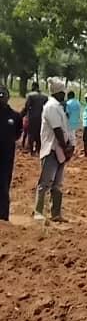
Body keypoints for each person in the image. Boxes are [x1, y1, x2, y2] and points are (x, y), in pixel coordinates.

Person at [34, 79, 73, 222]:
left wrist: (68, 146)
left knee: (57, 184)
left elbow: (64, 130)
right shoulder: (51, 107)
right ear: (60, 93)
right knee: (45, 182)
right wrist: (66, 147)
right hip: (52, 148)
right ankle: (38, 211)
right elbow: (57, 130)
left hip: (60, 150)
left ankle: (55, 213)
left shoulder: (58, 107)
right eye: (63, 93)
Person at [0, 84, 21, 221]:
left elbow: (18, 133)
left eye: (3, 96)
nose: (1, 99)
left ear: (8, 97)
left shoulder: (15, 116)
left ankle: (3, 216)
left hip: (7, 157)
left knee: (3, 185)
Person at [20, 81, 47, 155]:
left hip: (32, 118)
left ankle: (31, 151)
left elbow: (26, 107)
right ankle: (38, 150)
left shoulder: (30, 95)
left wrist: (20, 116)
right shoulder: (45, 96)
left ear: (33, 87)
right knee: (39, 134)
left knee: (31, 134)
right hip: (41, 118)